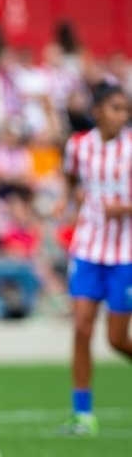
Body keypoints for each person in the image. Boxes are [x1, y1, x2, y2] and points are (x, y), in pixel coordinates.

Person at [62, 83, 132, 436]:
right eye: (117, 108)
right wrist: (69, 205)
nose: (123, 115)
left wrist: (125, 208)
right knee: (81, 328)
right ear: (99, 110)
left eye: (125, 109)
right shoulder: (78, 146)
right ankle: (82, 414)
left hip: (125, 254)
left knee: (117, 339)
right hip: (88, 249)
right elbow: (70, 178)